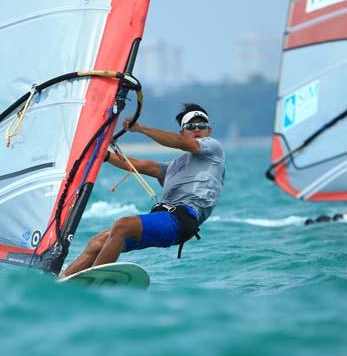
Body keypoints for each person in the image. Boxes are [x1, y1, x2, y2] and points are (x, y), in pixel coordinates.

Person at [61, 103, 225, 277]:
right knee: (98, 242)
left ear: (210, 131)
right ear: (183, 131)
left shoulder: (213, 148)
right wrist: (107, 156)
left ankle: (98, 281)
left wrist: (140, 128)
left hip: (184, 220)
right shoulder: (174, 166)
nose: (197, 129)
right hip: (164, 217)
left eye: (202, 126)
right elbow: (142, 165)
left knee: (122, 225)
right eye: (191, 126)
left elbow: (182, 144)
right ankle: (62, 280)